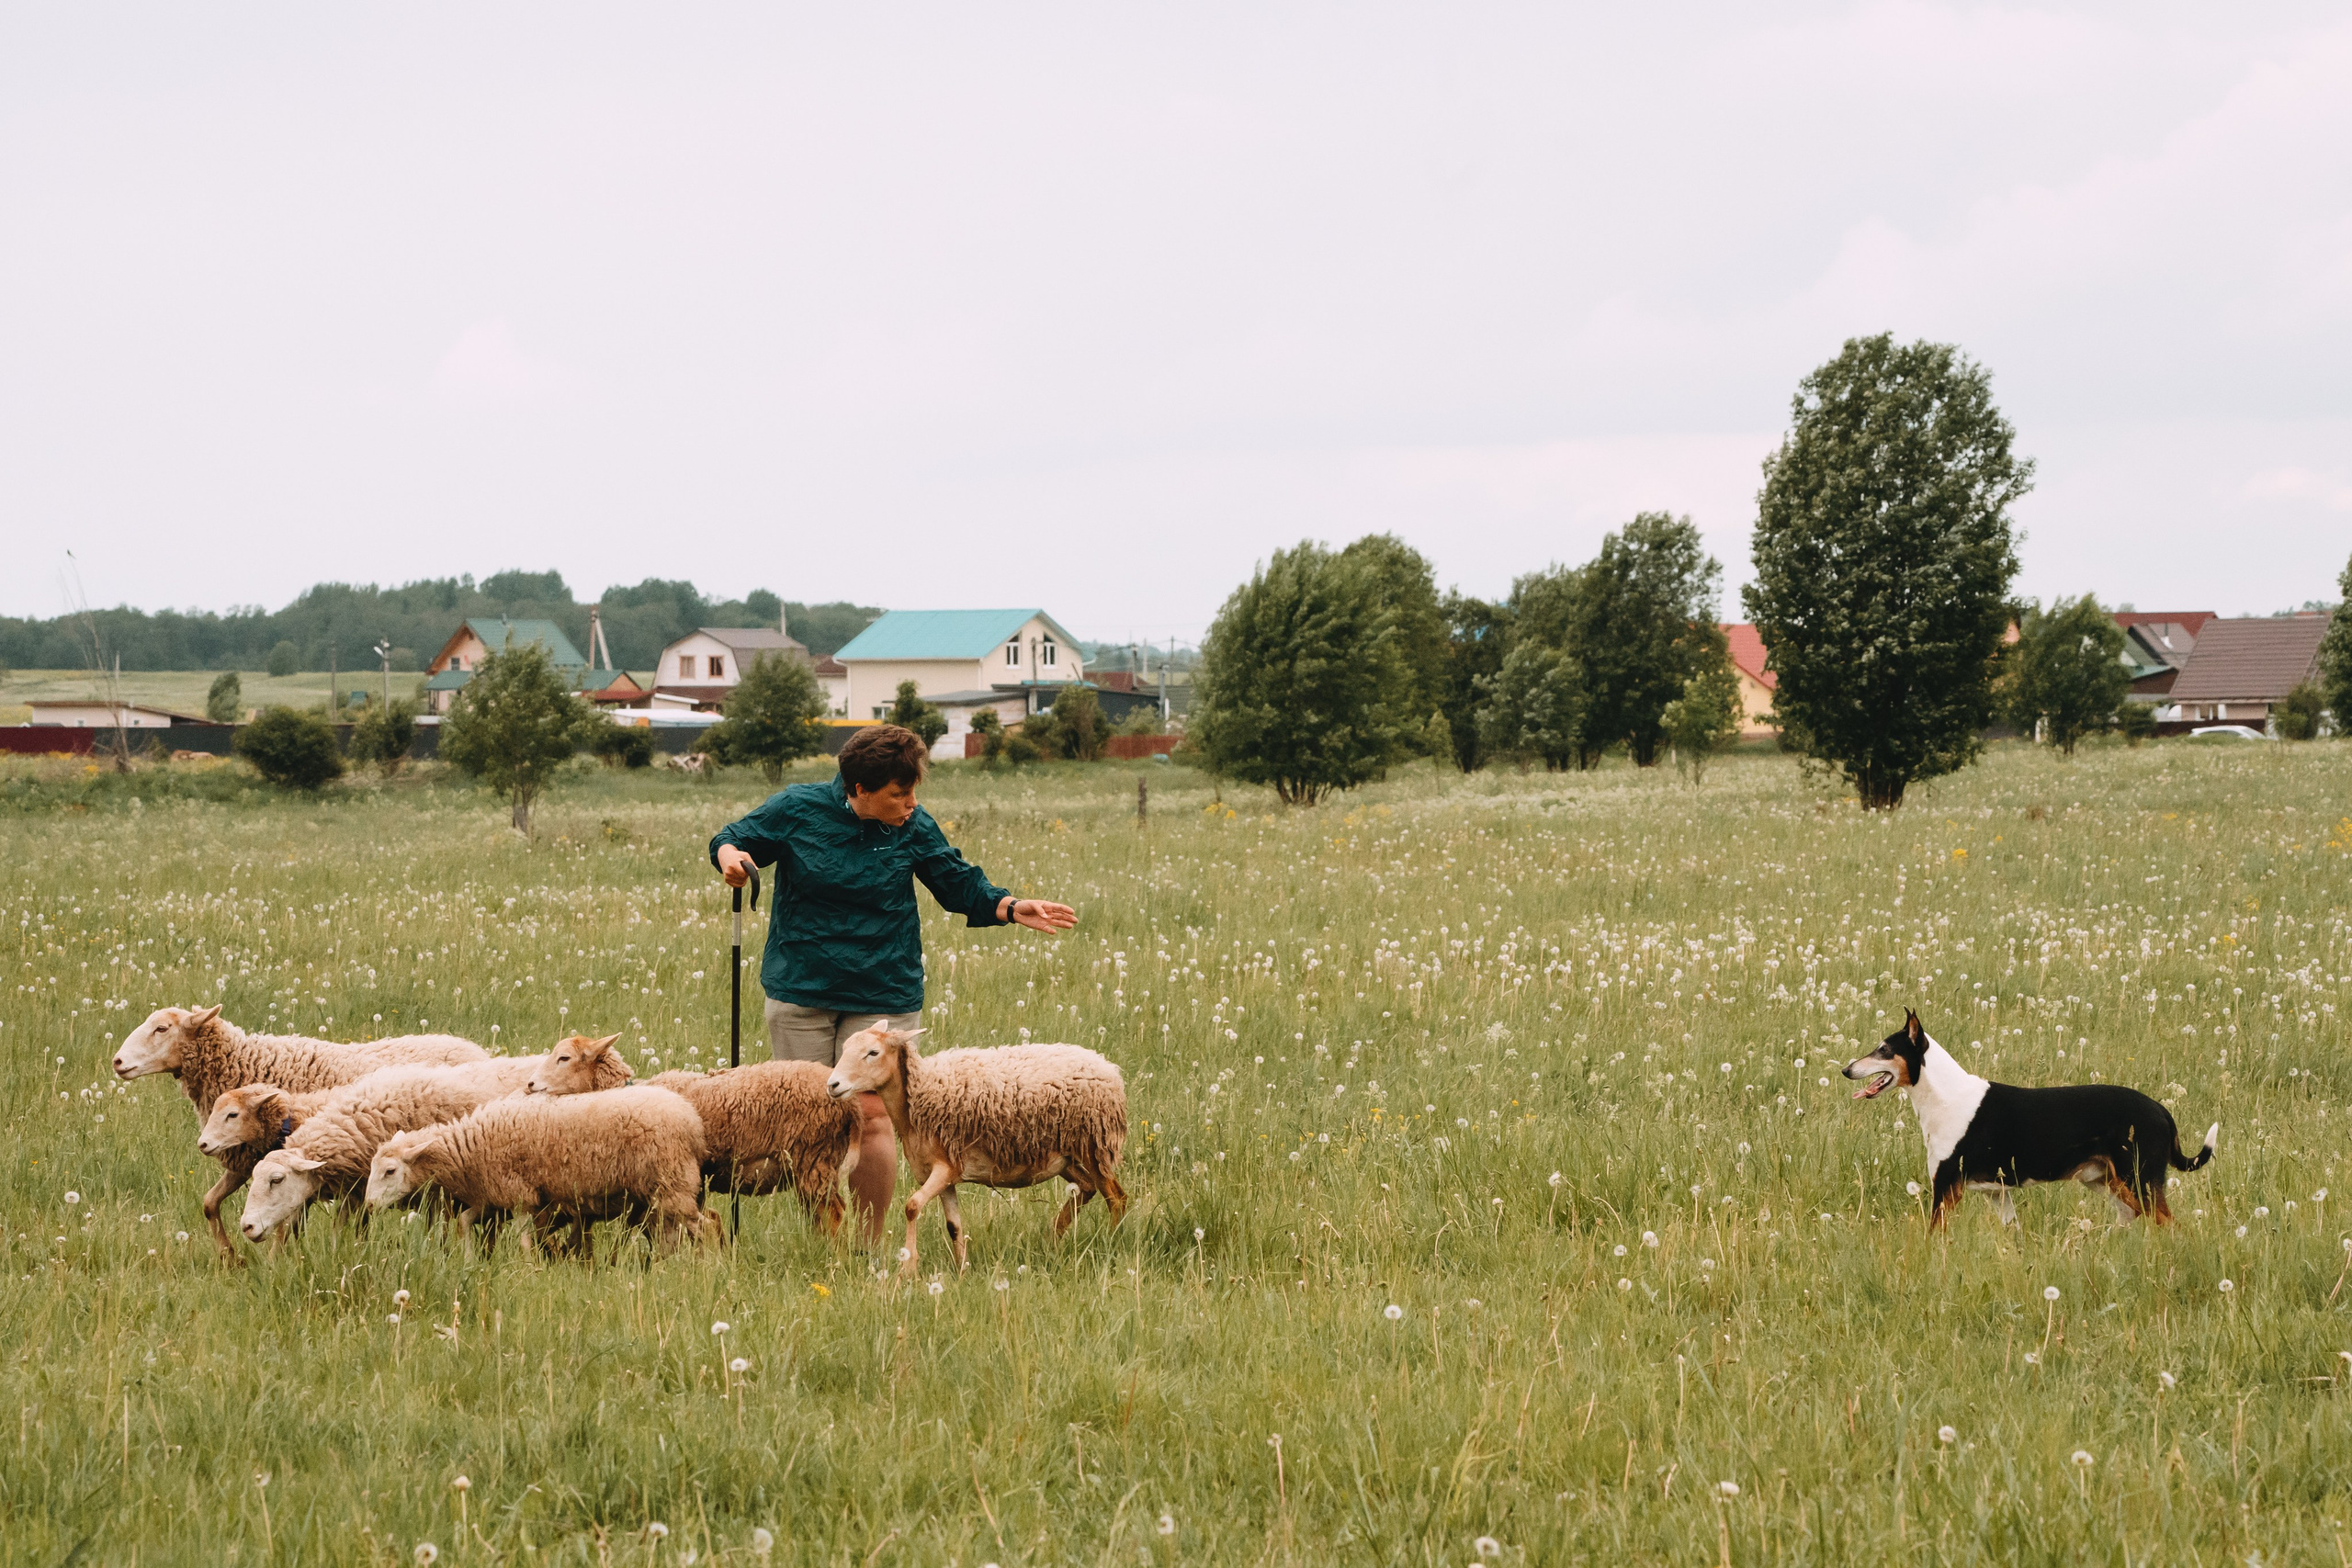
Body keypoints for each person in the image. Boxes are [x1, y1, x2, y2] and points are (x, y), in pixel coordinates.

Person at [708, 722, 1077, 1241]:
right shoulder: (797, 809)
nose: (910, 803)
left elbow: (955, 881)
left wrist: (1012, 906)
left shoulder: (913, 825)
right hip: (801, 989)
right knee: (812, 1121)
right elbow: (733, 838)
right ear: (859, 790)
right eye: (898, 794)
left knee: (874, 1116)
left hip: (882, 989)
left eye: (913, 792)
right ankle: (824, 1244)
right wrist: (730, 859)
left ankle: (868, 1244)